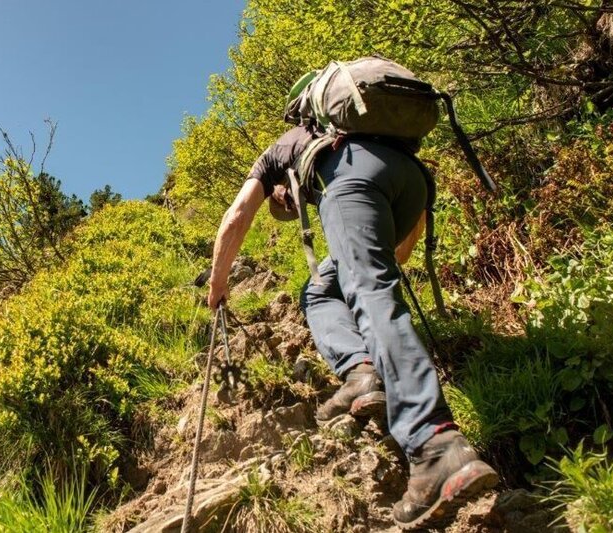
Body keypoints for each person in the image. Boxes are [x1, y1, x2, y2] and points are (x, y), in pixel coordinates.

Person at [205, 124, 499, 529]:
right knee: (322, 289)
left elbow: (237, 215)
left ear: (280, 191)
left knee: (369, 293)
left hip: (353, 180)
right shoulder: (362, 130)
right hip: (411, 180)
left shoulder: (279, 155)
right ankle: (362, 373)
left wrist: (217, 286)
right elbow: (400, 254)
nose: (292, 206)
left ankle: (434, 442)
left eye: (288, 205)